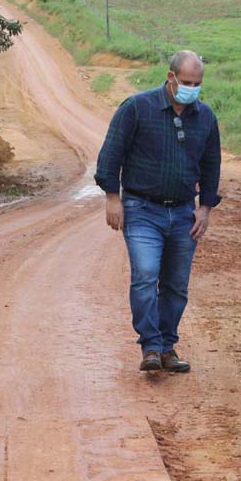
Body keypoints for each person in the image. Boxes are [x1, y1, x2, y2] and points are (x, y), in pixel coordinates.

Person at [95, 50, 222, 373]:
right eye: (186, 82)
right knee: (146, 274)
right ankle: (150, 345)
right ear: (170, 77)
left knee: (176, 284)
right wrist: (112, 197)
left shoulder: (205, 117)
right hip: (141, 208)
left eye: (197, 83)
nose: (191, 89)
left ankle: (167, 346)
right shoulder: (137, 108)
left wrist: (205, 208)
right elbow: (111, 153)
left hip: (183, 213)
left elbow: (211, 165)